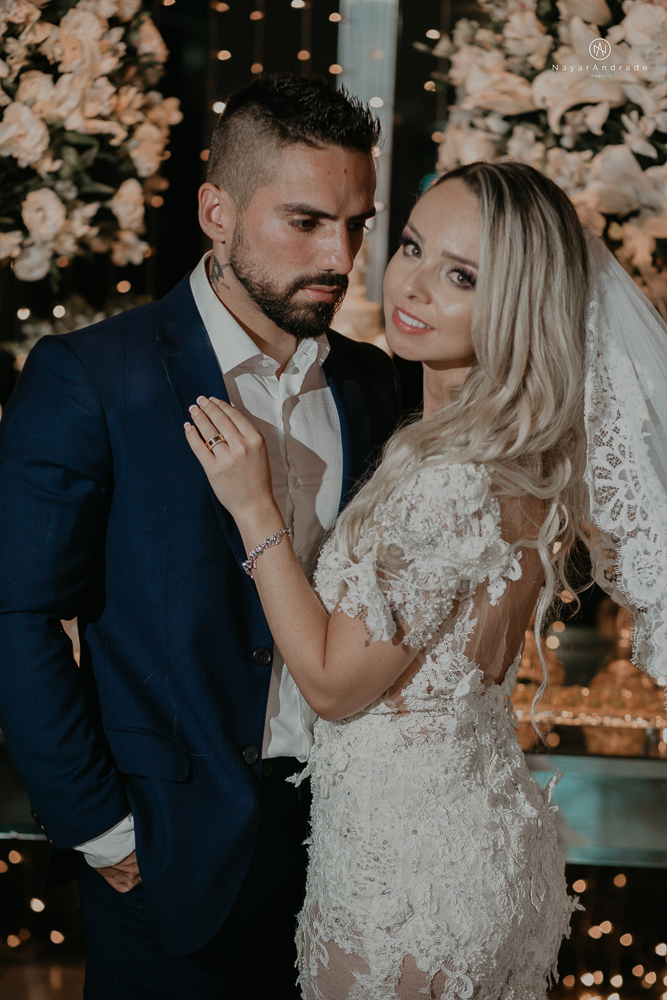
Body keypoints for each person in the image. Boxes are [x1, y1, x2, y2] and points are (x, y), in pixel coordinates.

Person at [184, 159, 667, 1000]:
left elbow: (335, 685)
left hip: (408, 877)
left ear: (516, 304)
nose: (410, 285)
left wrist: (254, 509)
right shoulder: (519, 458)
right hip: (481, 840)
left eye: (461, 276)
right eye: (409, 246)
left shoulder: (450, 478)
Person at [0, 74, 400, 999]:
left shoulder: (376, 383)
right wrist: (101, 827)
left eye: (356, 224)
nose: (340, 257)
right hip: (167, 848)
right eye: (304, 222)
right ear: (216, 212)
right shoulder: (91, 378)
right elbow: (19, 615)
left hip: (352, 846)